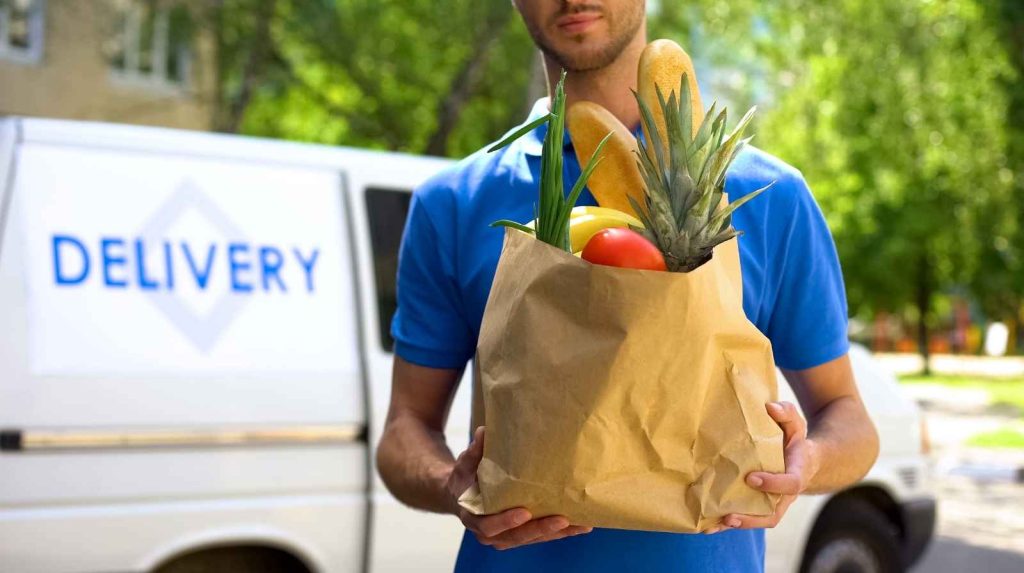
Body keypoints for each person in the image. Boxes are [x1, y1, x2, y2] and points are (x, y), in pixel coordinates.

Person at [375, 1, 880, 571]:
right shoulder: (453, 203)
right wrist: (452, 486)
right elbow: (403, 432)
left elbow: (850, 420)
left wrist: (806, 462)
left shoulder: (768, 196)